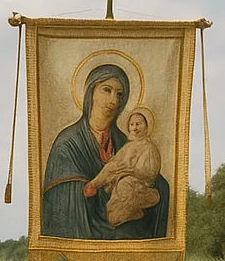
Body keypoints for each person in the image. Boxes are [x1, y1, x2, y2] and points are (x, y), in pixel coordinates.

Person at [42, 64, 169, 240]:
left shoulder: (126, 141)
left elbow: (153, 181)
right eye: (106, 90)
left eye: (119, 95)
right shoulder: (67, 142)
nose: (113, 100)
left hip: (126, 222)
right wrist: (90, 190)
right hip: (83, 224)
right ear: (91, 93)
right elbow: (60, 194)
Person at [83, 106, 162, 227]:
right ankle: (94, 186)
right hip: (121, 182)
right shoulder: (128, 146)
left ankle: (134, 210)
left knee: (117, 212)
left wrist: (129, 171)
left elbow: (150, 173)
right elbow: (114, 166)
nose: (134, 128)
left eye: (138, 124)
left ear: (147, 126)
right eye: (131, 124)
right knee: (115, 179)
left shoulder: (149, 148)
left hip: (138, 185)